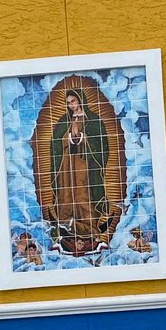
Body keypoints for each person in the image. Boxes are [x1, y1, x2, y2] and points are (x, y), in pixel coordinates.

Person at [48, 88, 111, 254]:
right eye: (68, 103)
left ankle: (91, 230)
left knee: (84, 195)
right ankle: (66, 230)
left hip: (86, 167)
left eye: (73, 101)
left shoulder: (94, 121)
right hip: (67, 168)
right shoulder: (64, 121)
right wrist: (68, 138)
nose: (71, 105)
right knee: (67, 195)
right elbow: (54, 145)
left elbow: (102, 145)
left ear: (80, 100)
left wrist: (84, 139)